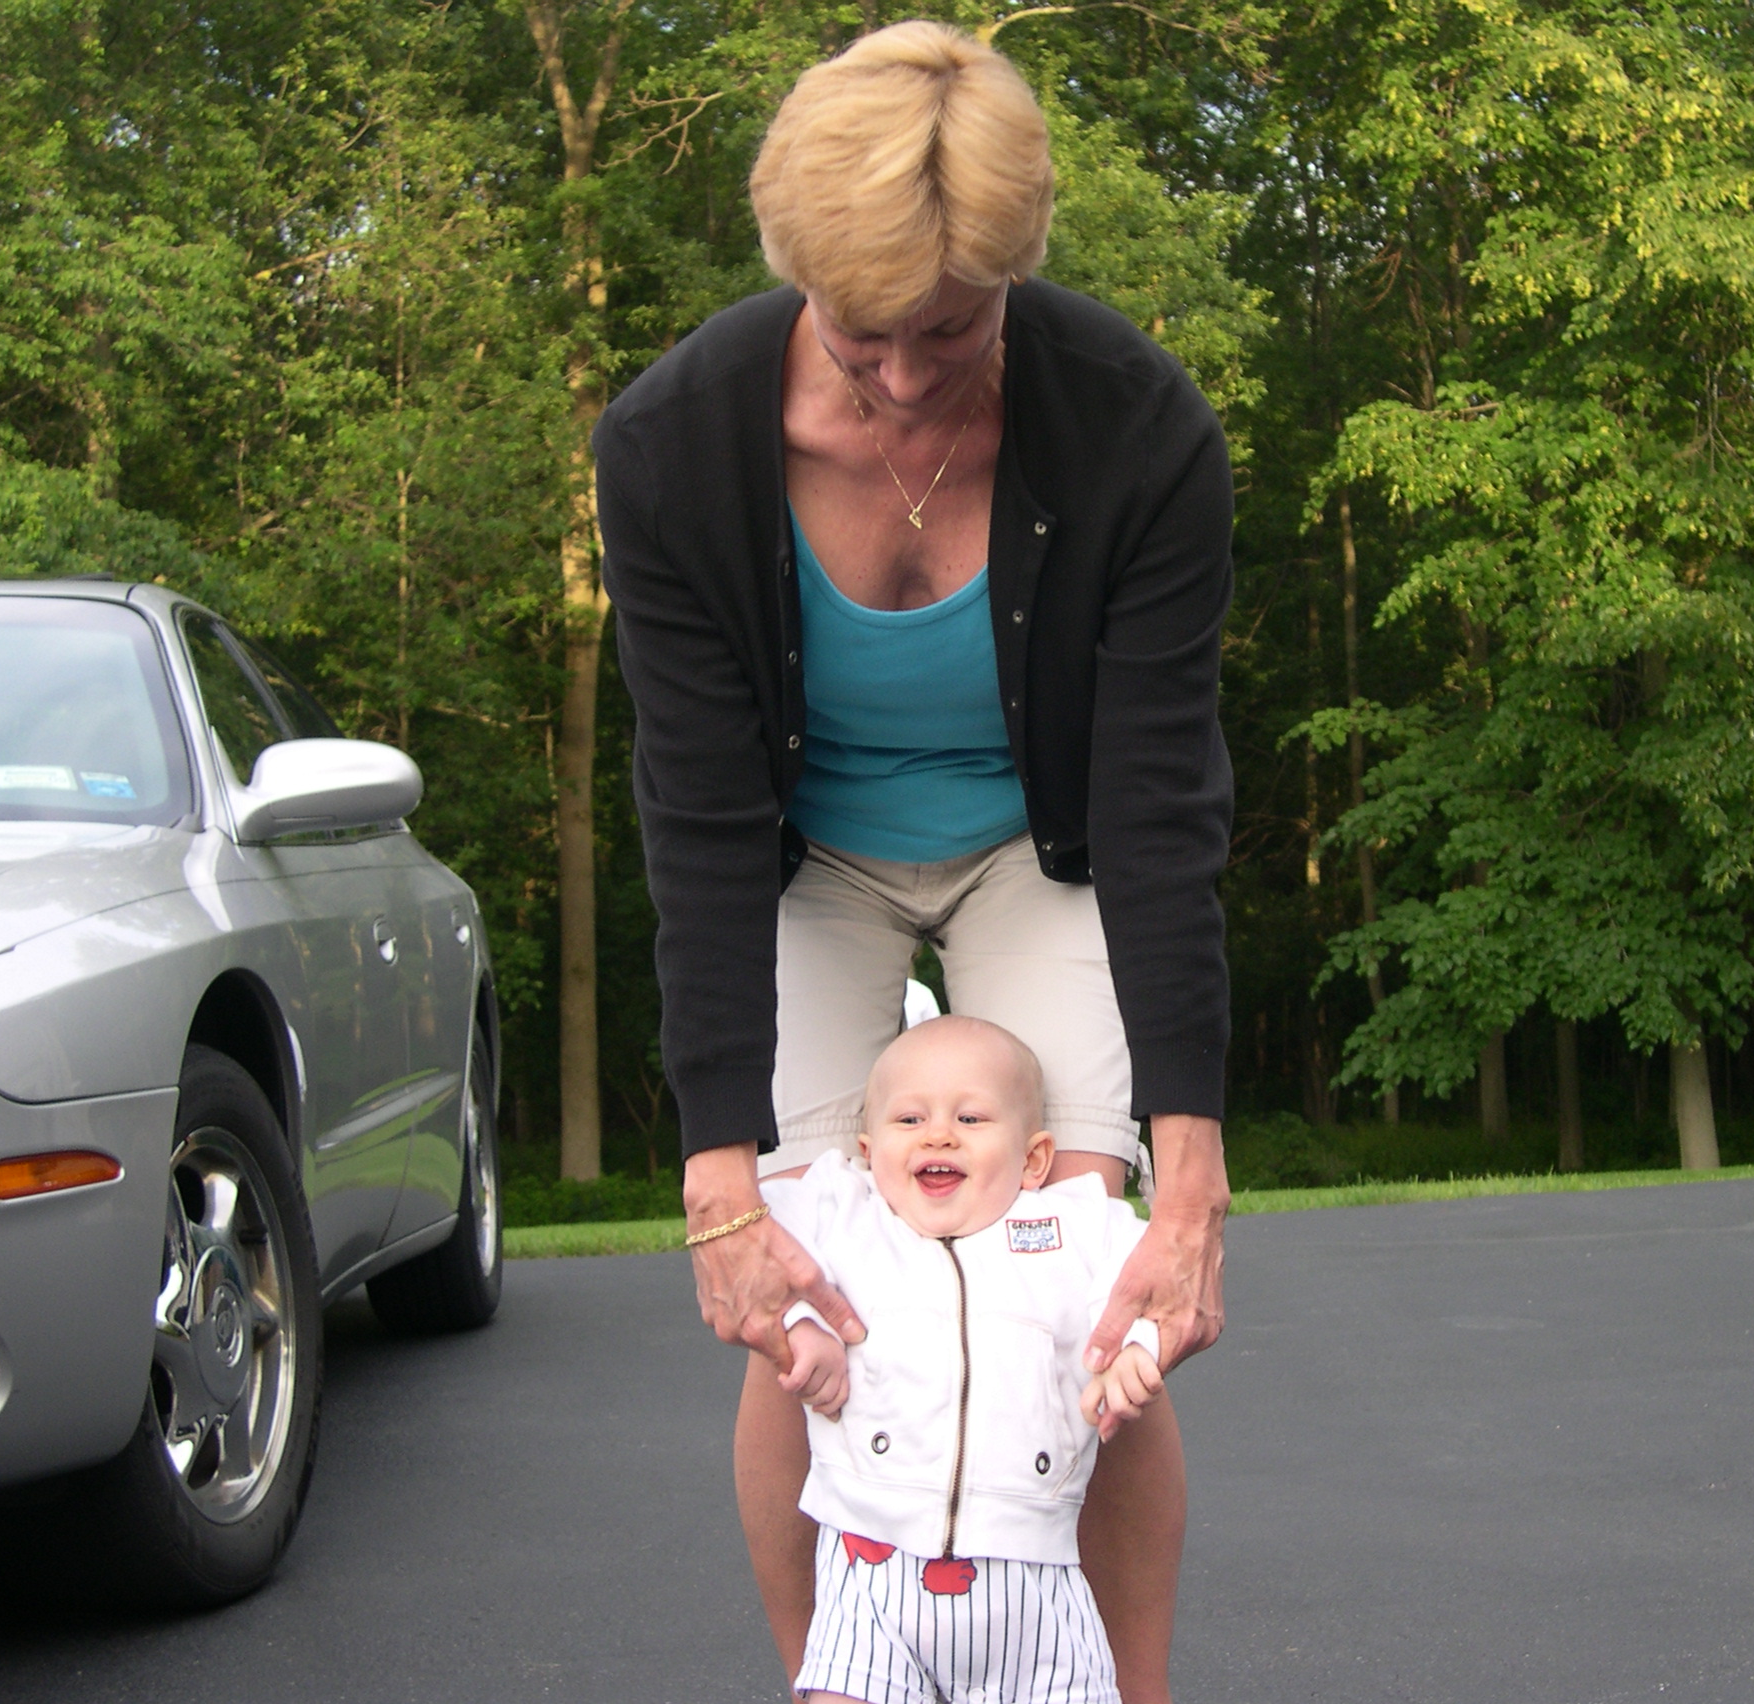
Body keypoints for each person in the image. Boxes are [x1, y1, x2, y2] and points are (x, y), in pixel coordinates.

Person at [593, 20, 1233, 1700]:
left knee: (1082, 1291)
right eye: (858, 334)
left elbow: (1159, 798)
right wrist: (720, 1191)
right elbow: (700, 815)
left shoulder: (1136, 426)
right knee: (807, 1273)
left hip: (1051, 841)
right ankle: (840, 1679)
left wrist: (1189, 1170)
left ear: (1013, 274)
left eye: (945, 334)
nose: (895, 379)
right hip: (799, 859)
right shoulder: (669, 447)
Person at [765, 1016, 1167, 1704]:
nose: (938, 1134)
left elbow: (1156, 1281)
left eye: (971, 1116)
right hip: (870, 1578)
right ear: (868, 1151)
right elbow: (759, 1248)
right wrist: (802, 1324)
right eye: (910, 1118)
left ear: (1034, 1159)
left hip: (1036, 1594)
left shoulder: (1071, 1229)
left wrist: (1136, 1348)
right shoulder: (845, 1216)